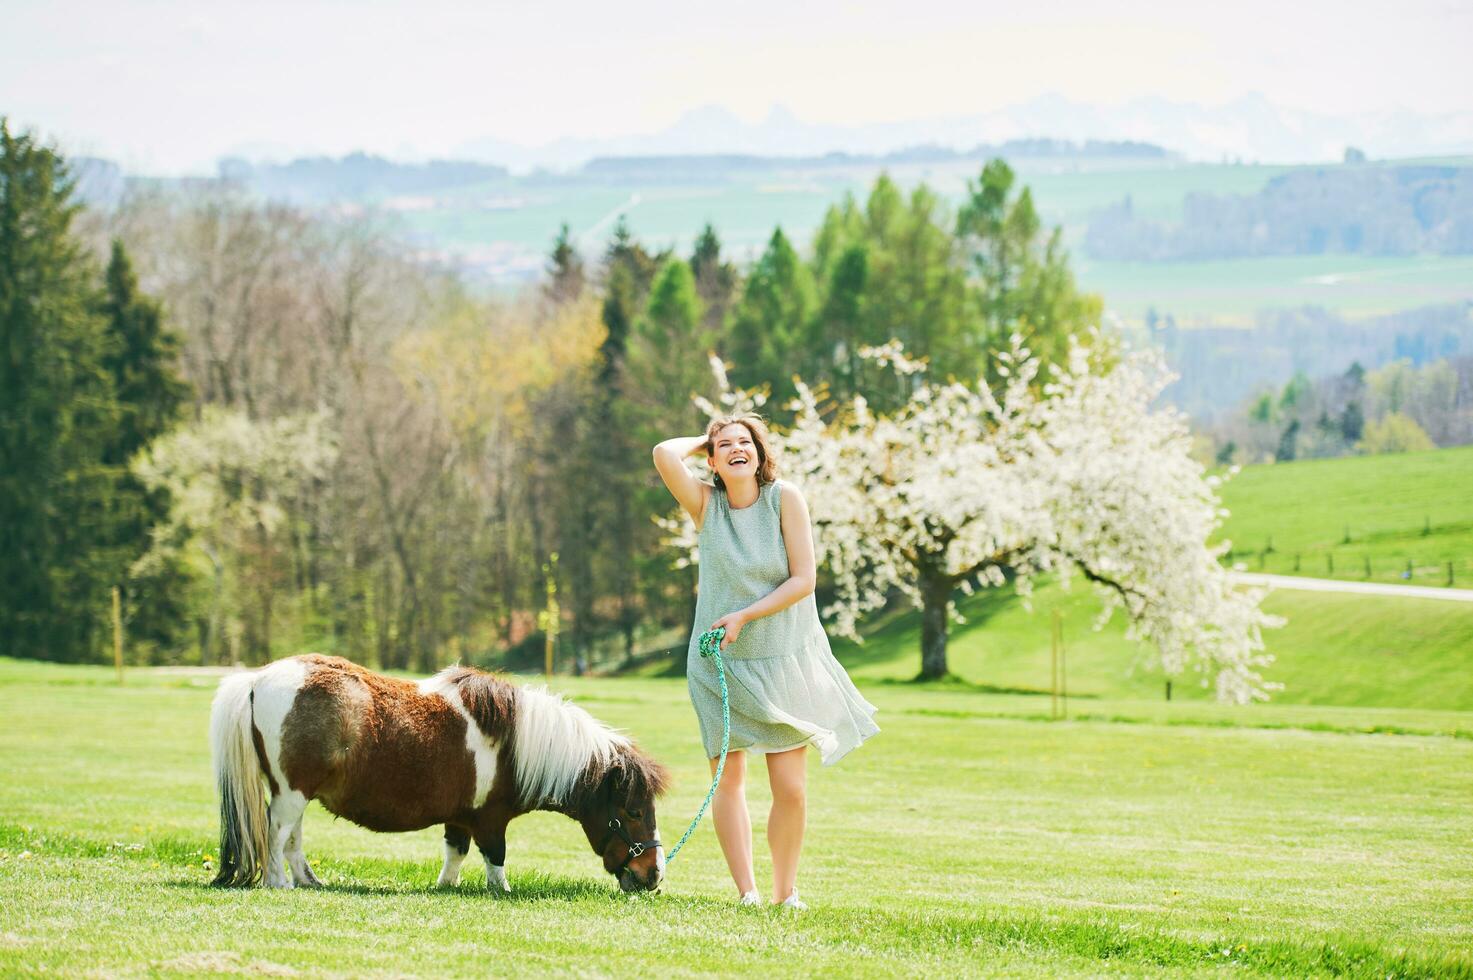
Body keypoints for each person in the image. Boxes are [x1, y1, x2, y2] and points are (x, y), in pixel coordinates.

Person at [653, 414, 879, 910]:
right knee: (727, 781)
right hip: (719, 664)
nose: (737, 449)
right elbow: (664, 454)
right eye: (725, 445)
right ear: (712, 461)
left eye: (745, 442)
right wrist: (705, 439)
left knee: (791, 788)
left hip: (782, 661)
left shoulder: (785, 498)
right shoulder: (706, 507)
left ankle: (786, 892)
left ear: (760, 452)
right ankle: (748, 893)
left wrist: (745, 615)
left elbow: (804, 580)